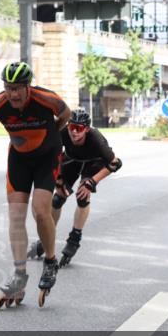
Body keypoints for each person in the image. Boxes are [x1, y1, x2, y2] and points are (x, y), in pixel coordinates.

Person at [0, 61, 70, 308]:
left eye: (17, 88)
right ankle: (19, 275)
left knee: (41, 211)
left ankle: (50, 261)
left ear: (28, 87)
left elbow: (65, 114)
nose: (12, 94)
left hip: (47, 157)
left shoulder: (47, 99)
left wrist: (51, 133)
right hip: (19, 159)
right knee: (16, 215)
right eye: (8, 88)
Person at [31, 108, 122, 267]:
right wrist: (59, 179)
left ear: (86, 129)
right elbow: (53, 156)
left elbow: (115, 163)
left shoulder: (95, 138)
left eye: (79, 128)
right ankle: (47, 236)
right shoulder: (63, 133)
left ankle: (74, 238)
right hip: (72, 160)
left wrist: (92, 182)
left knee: (82, 196)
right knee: (58, 198)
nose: (74, 132)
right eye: (72, 127)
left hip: (94, 162)